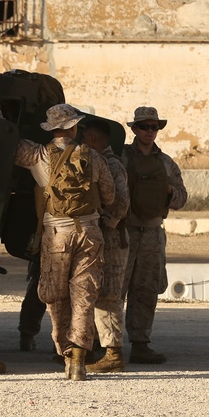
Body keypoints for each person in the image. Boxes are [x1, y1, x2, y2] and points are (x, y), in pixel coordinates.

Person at [0, 91, 115, 380]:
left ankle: (64, 350)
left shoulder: (38, 155)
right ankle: (80, 359)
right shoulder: (93, 157)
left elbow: (5, 138)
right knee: (84, 295)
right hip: (89, 233)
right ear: (74, 127)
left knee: (55, 296)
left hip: (56, 234)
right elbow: (109, 194)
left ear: (52, 128)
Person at [120, 106, 187, 364]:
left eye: (154, 127)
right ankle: (106, 344)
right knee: (115, 289)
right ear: (134, 129)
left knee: (146, 290)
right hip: (124, 231)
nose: (150, 131)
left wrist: (169, 192)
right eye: (145, 126)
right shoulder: (121, 158)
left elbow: (182, 198)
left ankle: (140, 343)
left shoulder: (166, 163)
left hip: (152, 233)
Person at [80, 118, 131, 373]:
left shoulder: (112, 165)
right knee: (94, 292)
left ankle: (113, 354)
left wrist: (105, 224)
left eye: (83, 137)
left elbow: (121, 203)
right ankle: (97, 347)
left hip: (112, 239)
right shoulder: (97, 162)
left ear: (93, 139)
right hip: (101, 236)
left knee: (108, 294)